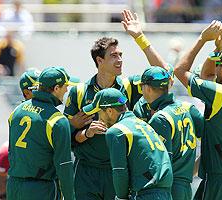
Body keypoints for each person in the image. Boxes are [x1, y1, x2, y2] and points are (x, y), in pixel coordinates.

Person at [64, 9, 169, 200]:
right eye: (114, 55)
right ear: (99, 60)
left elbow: (164, 75)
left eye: (121, 54)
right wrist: (83, 131)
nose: (120, 60)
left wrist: (139, 37)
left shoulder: (129, 86)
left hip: (118, 170)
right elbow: (66, 136)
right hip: (86, 171)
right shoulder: (78, 92)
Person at [174, 20, 222, 200]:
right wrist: (219, 48)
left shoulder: (220, 94)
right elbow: (208, 75)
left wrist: (203, 39)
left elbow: (179, 70)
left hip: (219, 180)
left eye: (219, 64)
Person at [82, 88, 173, 200]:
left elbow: (120, 171)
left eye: (99, 113)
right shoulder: (143, 124)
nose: (99, 119)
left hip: (146, 193)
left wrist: (121, 197)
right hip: (165, 192)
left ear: (109, 111)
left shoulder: (116, 131)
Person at [133, 66, 204, 200]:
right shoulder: (184, 109)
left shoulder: (160, 118)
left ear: (147, 88)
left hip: (169, 189)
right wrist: (188, 172)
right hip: (184, 187)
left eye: (141, 87)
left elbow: (161, 165)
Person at [7, 66, 76, 200]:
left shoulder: (17, 111)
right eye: (65, 86)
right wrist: (69, 197)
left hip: (14, 185)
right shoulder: (57, 120)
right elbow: (64, 165)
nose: (67, 90)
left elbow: (12, 150)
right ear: (56, 88)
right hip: (41, 189)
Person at [0, 68, 41, 200]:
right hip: (34, 182)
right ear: (26, 93)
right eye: (38, 88)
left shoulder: (19, 111)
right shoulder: (35, 114)